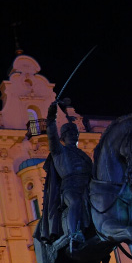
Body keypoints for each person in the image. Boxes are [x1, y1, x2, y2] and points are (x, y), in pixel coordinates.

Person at [34, 101, 93, 248]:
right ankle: (74, 233)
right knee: (75, 202)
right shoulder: (60, 151)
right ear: (63, 137)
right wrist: (51, 116)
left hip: (87, 187)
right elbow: (52, 134)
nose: (73, 136)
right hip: (69, 188)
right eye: (69, 133)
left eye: (75, 133)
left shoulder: (84, 155)